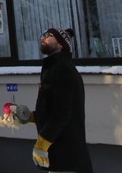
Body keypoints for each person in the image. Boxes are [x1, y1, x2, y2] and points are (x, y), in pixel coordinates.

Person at [33, 27, 94, 172]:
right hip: (59, 154)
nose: (43, 37)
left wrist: (42, 142)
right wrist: (28, 116)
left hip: (67, 153)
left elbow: (62, 112)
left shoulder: (63, 69)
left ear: (61, 45)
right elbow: (52, 108)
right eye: (44, 34)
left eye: (49, 36)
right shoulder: (53, 67)